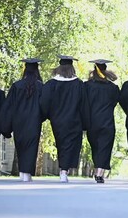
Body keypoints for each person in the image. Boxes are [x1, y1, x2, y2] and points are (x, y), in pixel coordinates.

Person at [39, 55, 90, 183]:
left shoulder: (51, 84)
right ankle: (64, 171)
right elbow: (84, 105)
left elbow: (44, 103)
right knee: (70, 145)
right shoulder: (79, 85)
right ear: (72, 68)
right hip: (74, 121)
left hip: (57, 121)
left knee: (61, 143)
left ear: (59, 68)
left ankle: (63, 170)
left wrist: (48, 115)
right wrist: (85, 123)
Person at [0, 58, 44, 182]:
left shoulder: (16, 86)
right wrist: (42, 116)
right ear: (36, 71)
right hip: (34, 121)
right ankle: (27, 173)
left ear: (25, 70)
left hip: (18, 121)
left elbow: (8, 107)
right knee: (31, 146)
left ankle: (22, 171)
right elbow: (45, 105)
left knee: (20, 145)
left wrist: (7, 125)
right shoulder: (40, 86)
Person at [85, 59, 120, 183]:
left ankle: (98, 171)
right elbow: (115, 102)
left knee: (95, 147)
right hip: (107, 121)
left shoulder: (87, 86)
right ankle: (99, 172)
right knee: (104, 148)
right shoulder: (113, 88)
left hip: (92, 122)